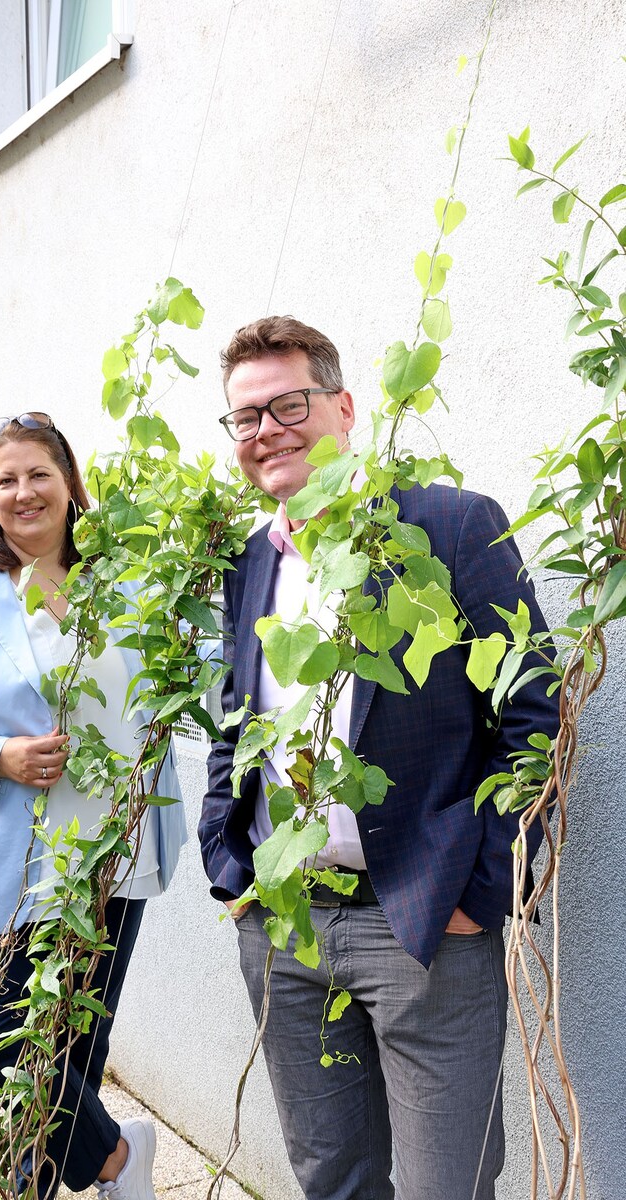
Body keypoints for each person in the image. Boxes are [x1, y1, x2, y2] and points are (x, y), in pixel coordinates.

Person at [199, 318, 560, 1200]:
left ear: (345, 408)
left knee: (451, 1183)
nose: (266, 432)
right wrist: (230, 864)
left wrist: (480, 895)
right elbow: (237, 721)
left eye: (289, 404)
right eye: (245, 419)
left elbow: (535, 716)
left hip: (426, 925)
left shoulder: (449, 526)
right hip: (283, 924)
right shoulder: (250, 561)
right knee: (333, 1176)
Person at [0, 412, 185, 1200]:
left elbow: (189, 679)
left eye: (38, 474)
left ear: (70, 483)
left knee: (69, 1061)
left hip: (105, 862)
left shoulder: (129, 581)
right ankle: (119, 1158)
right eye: (5, 478)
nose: (24, 492)